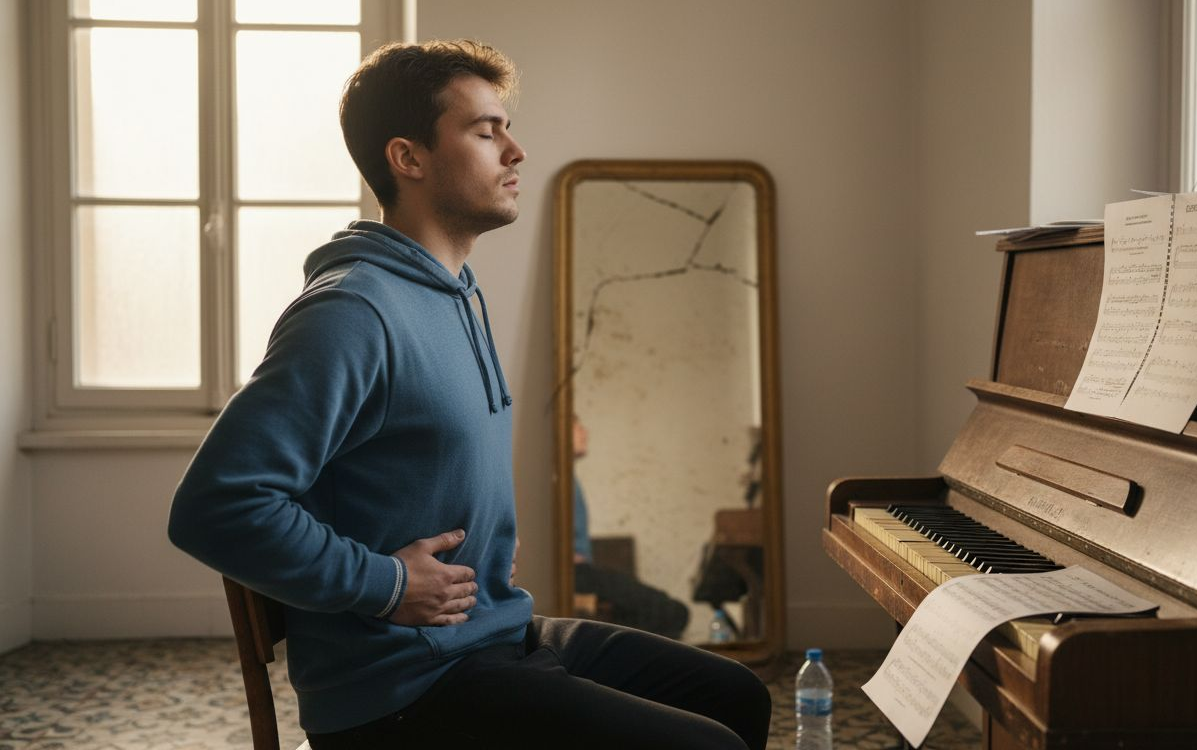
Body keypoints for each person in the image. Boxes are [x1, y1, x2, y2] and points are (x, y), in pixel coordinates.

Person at [167, 40, 770, 749]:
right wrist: (388, 584)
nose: (515, 151)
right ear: (409, 158)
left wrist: (484, 545)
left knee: (738, 695)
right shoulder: (351, 312)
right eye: (486, 132)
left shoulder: (455, 293)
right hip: (403, 690)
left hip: (491, 634)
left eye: (506, 128)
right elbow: (216, 506)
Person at [571, 417, 690, 638]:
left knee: (667, 611)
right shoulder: (556, 480)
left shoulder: (568, 479)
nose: (585, 432)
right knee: (671, 612)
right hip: (576, 573)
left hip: (582, 571)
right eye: (578, 427)